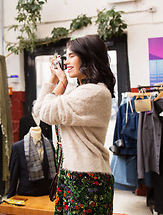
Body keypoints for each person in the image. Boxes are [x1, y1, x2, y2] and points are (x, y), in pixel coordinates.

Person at [33, 35, 116, 214]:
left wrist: (58, 81)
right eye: (66, 56)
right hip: (74, 173)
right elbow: (40, 110)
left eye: (71, 56)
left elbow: (44, 111)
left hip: (87, 176)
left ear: (87, 57)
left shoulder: (94, 93)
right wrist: (58, 80)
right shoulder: (80, 91)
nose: (66, 61)